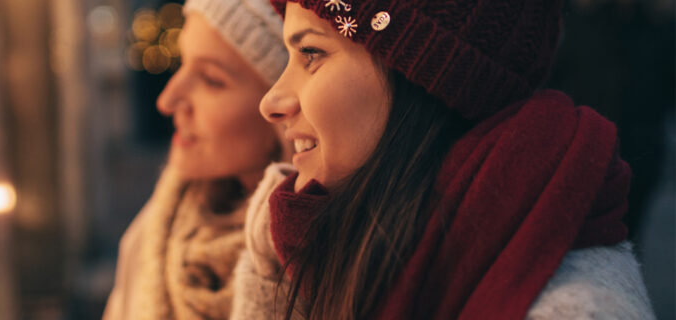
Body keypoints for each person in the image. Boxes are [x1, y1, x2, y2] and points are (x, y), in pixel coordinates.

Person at [233, 0, 655, 319]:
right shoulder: (297, 245)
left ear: (424, 75)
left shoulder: (575, 307)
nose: (271, 102)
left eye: (311, 53)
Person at [102, 0, 288, 319]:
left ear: (281, 111)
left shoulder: (316, 266)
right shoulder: (154, 233)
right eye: (183, 63)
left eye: (212, 80)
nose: (168, 99)